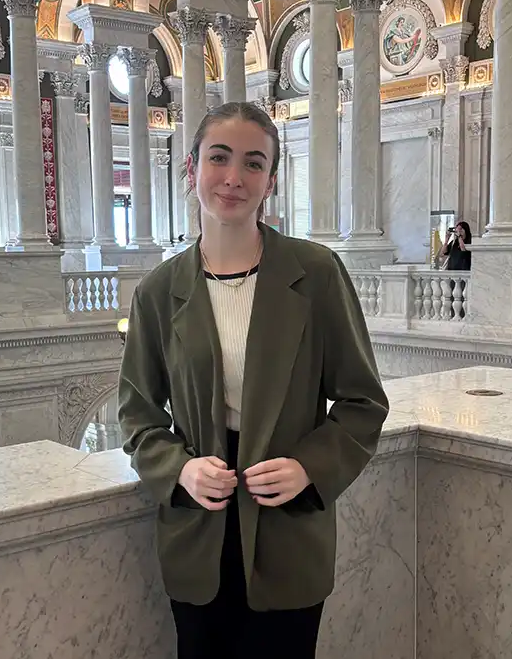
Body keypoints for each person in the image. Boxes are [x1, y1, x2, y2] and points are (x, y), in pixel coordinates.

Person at [118, 101, 389, 658]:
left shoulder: (315, 274)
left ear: (271, 180)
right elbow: (138, 414)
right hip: (199, 522)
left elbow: (363, 402)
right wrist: (181, 469)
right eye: (219, 158)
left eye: (253, 163)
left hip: (286, 518)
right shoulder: (157, 291)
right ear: (190, 169)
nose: (233, 178)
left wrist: (309, 468)